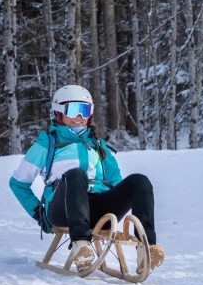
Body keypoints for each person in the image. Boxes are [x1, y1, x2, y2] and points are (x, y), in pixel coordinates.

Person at [9, 85, 164, 273]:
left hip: (99, 212)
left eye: (85, 110)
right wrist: (38, 214)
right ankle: (80, 245)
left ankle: (146, 248)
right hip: (63, 210)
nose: (80, 117)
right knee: (75, 174)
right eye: (74, 110)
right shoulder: (46, 145)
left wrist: (115, 200)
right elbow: (18, 183)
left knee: (140, 181)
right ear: (59, 113)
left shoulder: (98, 145)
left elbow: (116, 182)